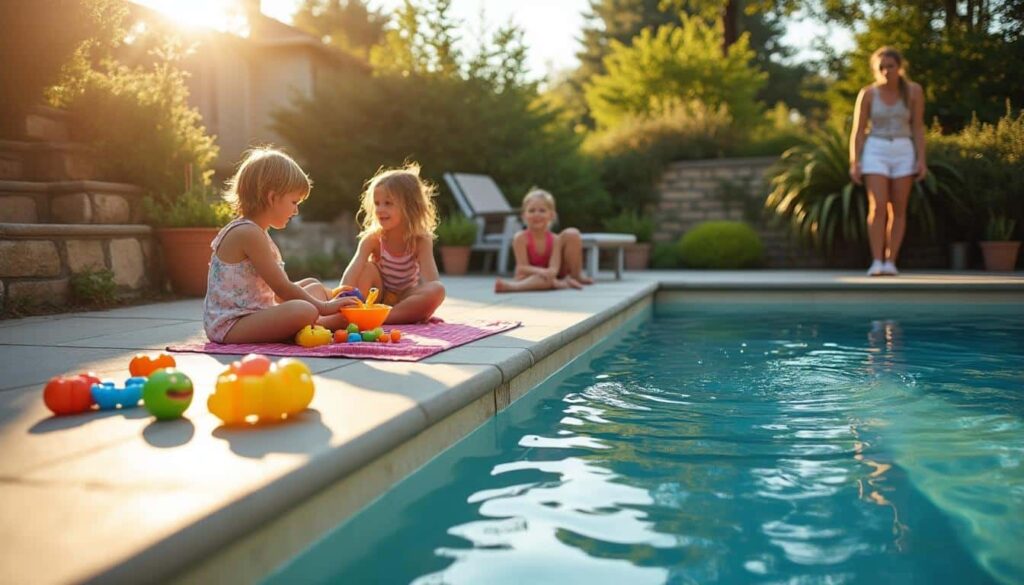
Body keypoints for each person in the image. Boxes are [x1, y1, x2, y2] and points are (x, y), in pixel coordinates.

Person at [203, 147, 358, 344]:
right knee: (306, 309)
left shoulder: (257, 231)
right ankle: (322, 322)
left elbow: (276, 291)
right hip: (232, 325)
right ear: (272, 197)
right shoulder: (248, 233)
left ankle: (319, 319)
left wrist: (328, 297)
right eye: (294, 202)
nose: (296, 210)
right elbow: (282, 288)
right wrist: (325, 307)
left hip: (254, 312)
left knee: (314, 285)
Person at [849, 46, 927, 276]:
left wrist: (921, 160)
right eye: (881, 67)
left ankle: (891, 261)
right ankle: (876, 261)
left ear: (899, 67)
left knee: (899, 208)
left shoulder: (913, 91)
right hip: (876, 149)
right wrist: (855, 161)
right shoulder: (868, 94)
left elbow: (917, 127)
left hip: (904, 149)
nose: (885, 71)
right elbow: (859, 130)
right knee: (878, 206)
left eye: (890, 66)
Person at [339, 164, 446, 323]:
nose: (380, 209)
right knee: (366, 268)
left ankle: (382, 318)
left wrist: (427, 305)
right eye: (377, 203)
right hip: (377, 296)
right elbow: (352, 272)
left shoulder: (421, 240)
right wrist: (340, 298)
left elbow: (430, 280)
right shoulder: (373, 239)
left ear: (410, 207)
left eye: (388, 203)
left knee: (437, 289)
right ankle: (367, 313)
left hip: (405, 297)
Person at [494, 188, 593, 293]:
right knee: (543, 279)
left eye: (542, 210)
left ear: (552, 215)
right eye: (531, 211)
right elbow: (522, 267)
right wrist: (543, 272)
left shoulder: (555, 240)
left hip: (548, 276)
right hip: (530, 277)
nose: (537, 214)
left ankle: (572, 278)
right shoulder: (520, 238)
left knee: (572, 233)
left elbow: (554, 268)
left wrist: (549, 273)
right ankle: (562, 283)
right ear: (524, 216)